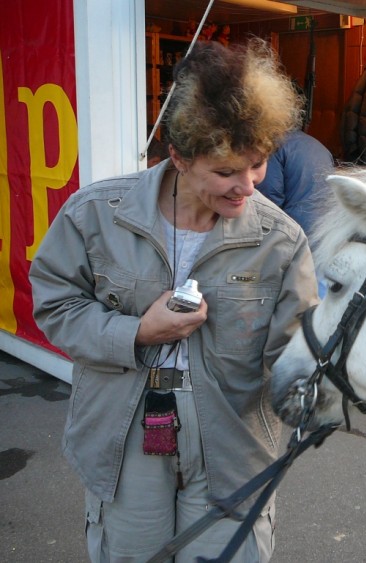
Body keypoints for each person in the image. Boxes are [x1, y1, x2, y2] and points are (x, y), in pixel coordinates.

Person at [29, 39, 316, 562]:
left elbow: (298, 351)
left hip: (233, 442)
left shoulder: (282, 239)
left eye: (257, 164)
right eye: (226, 171)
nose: (247, 187)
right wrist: (136, 332)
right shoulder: (95, 214)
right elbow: (54, 305)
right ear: (178, 157)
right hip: (124, 432)